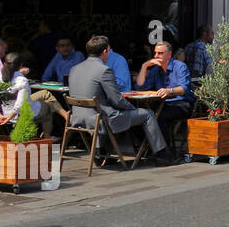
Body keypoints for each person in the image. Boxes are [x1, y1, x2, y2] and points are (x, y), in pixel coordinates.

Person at [68, 36, 172, 164]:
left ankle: (100, 152)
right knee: (148, 114)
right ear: (105, 51)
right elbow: (116, 100)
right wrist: (133, 108)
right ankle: (162, 155)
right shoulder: (104, 70)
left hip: (78, 118)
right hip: (103, 120)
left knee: (101, 111)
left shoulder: (74, 69)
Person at [0, 52, 61, 138]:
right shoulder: (22, 80)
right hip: (18, 115)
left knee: (44, 94)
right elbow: (21, 103)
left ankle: (37, 136)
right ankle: (47, 139)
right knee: (48, 108)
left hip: (3, 114)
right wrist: (10, 116)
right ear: (21, 65)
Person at [136, 41, 194, 136]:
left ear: (169, 54)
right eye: (155, 53)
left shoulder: (180, 66)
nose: (156, 56)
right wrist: (144, 66)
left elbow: (183, 89)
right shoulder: (156, 69)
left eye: (160, 53)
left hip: (181, 103)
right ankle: (149, 148)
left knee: (159, 117)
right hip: (162, 103)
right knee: (140, 115)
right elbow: (140, 88)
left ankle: (165, 149)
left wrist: (169, 91)